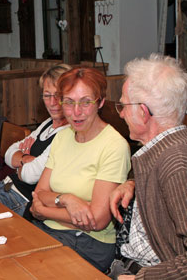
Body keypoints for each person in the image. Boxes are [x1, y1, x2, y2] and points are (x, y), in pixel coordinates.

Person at [30, 67, 131, 272]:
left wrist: (43, 210)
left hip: (88, 243)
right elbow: (39, 194)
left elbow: (97, 220)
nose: (76, 112)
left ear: (100, 102)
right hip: (48, 231)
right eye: (68, 102)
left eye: (86, 102)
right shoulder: (62, 136)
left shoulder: (114, 145)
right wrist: (68, 199)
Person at [108, 54, 187, 280]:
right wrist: (132, 182)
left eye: (123, 105)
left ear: (143, 112)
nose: (121, 113)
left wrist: (142, 279)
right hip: (126, 265)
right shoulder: (164, 150)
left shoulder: (176, 164)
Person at [0, 64, 71, 216]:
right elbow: (9, 152)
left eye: (59, 95)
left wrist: (19, 161)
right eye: (47, 95)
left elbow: (30, 175)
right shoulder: (48, 122)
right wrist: (25, 158)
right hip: (5, 185)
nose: (53, 102)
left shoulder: (68, 134)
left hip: (20, 199)